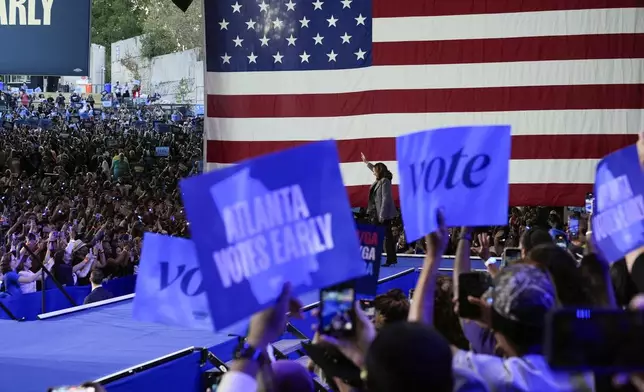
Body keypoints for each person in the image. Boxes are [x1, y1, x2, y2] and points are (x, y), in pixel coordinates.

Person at [361, 152, 397, 266]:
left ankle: (386, 259)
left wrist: (381, 215)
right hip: (375, 213)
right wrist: (366, 162)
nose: (374, 172)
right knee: (387, 236)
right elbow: (373, 169)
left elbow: (386, 199)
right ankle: (391, 258)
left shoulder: (384, 181)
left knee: (383, 236)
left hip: (381, 214)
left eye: (375, 171)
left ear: (380, 171)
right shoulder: (380, 180)